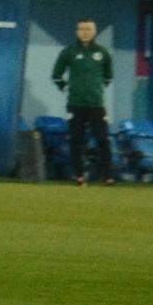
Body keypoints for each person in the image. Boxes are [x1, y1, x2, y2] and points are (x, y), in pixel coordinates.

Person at [54, 17, 117, 185]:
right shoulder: (69, 51)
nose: (85, 33)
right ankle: (80, 176)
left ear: (94, 31)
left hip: (96, 105)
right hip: (75, 104)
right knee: (76, 141)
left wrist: (97, 89)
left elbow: (109, 75)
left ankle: (108, 177)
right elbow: (56, 75)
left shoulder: (102, 52)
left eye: (88, 29)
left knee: (103, 140)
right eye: (82, 29)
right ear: (77, 31)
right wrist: (68, 88)